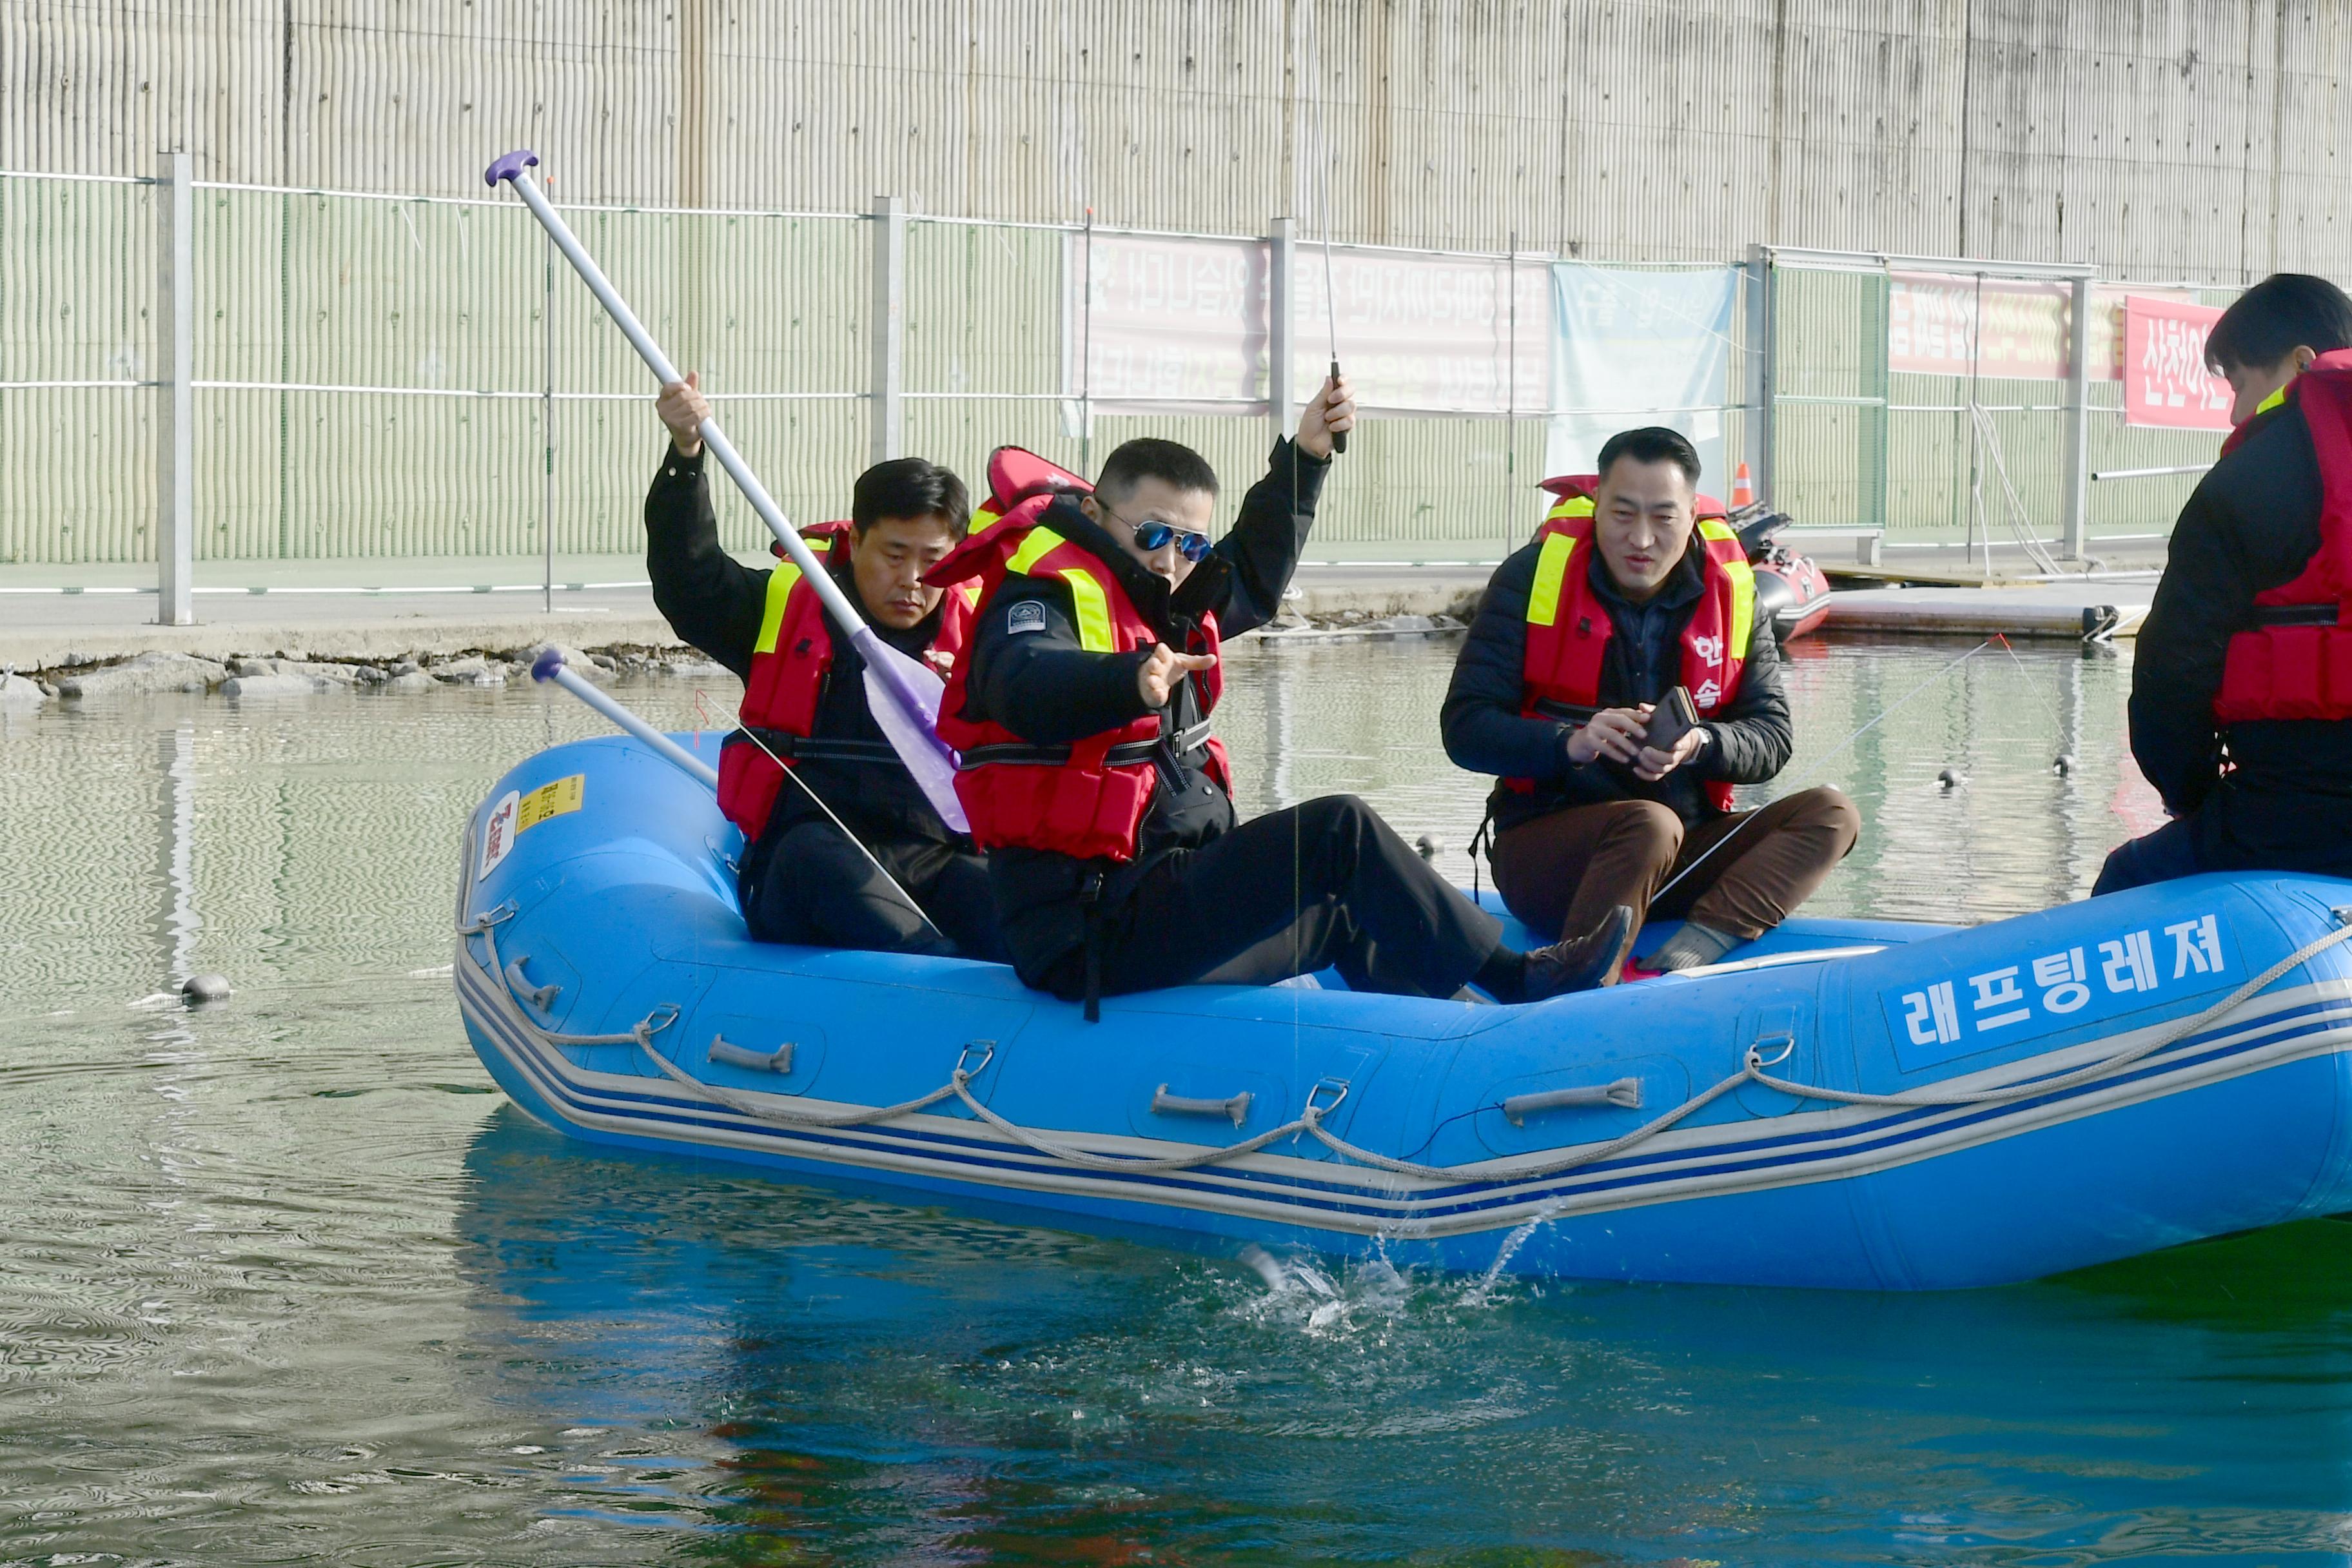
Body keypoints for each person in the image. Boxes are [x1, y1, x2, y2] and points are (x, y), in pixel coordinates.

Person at [926, 377, 1628, 1015]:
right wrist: (1125, 679)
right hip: (1090, 927)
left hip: (1160, 889)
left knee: (1348, 910)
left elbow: (1252, 574)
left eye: (1189, 544)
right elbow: (1024, 678)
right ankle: (1517, 977)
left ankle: (1461, 1043)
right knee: (1337, 829)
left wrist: (1307, 456)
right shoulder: (1036, 595)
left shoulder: (1161, 599)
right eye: (1152, 536)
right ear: (1092, 510)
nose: (1171, 561)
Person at [1442, 426, 1859, 981]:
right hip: (1551, 858)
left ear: (1692, 515)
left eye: (1663, 517)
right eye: (1622, 514)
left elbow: (1772, 736)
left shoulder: (1734, 594)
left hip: (1685, 854)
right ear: (1595, 508)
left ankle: (1700, 944)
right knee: (1649, 824)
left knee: (1832, 814)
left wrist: (1700, 744)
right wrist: (1572, 742)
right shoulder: (1529, 577)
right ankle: (1576, 982)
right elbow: (1465, 728)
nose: (1641, 539)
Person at [643, 371, 1004, 961]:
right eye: (894, 555)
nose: (913, 580)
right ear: (857, 540)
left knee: (1011, 906)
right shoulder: (788, 607)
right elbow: (690, 583)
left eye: (933, 560)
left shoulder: (987, 634)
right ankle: (933, 977)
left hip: (935, 855)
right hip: (810, 855)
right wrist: (686, 453)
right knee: (821, 861)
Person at [2097, 273, 2352, 893]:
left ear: (2299, 363)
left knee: (2128, 880)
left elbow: (2172, 675)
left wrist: (2194, 795)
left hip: (2295, 814)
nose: (2235, 411)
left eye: (2239, 384)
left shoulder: (2250, 482)